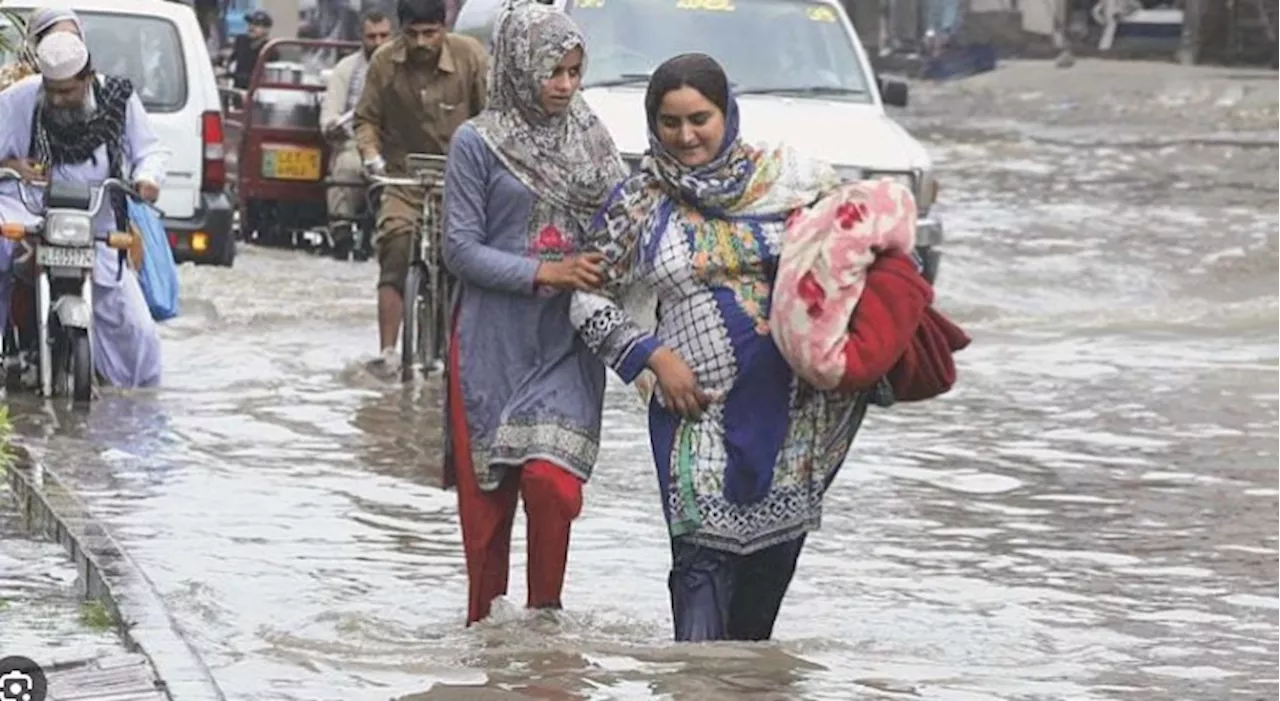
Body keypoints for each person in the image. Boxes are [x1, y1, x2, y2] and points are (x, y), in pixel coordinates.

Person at [570, 53, 873, 642]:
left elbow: (862, 249)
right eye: (669, 122)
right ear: (651, 123)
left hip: (793, 414)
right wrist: (652, 356)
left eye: (699, 119)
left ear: (727, 113)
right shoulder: (638, 204)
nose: (686, 136)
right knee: (700, 571)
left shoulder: (791, 183)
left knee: (763, 593)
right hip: (693, 412)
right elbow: (585, 295)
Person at [442, 0, 626, 625]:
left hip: (565, 343)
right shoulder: (477, 143)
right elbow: (460, 249)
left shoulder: (592, 137)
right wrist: (545, 271)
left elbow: (624, 219)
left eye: (575, 71)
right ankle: (488, 646)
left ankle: (544, 632)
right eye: (554, 72)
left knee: (553, 485)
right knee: (487, 515)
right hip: (491, 344)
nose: (565, 86)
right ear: (520, 67)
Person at [0, 32, 168, 388]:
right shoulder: (21, 98)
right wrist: (12, 164)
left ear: (88, 78)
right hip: (28, 209)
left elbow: (149, 150)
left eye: (68, 92)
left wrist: (147, 179)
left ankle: (129, 411)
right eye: (52, 91)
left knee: (138, 333)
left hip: (96, 220)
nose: (58, 100)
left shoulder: (117, 98)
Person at [354, 0, 487, 372]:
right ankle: (388, 350)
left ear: (443, 29)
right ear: (401, 31)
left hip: (460, 179)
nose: (422, 43)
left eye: (430, 33)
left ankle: (462, 347)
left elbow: (491, 118)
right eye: (412, 34)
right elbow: (366, 119)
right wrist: (370, 155)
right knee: (395, 240)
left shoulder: (470, 57)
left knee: (465, 254)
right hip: (404, 177)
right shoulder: (384, 62)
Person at [320, 10, 392, 260]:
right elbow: (330, 114)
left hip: (394, 146)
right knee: (346, 169)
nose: (379, 42)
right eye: (372, 36)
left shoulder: (405, 69)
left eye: (384, 35)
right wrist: (334, 126)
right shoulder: (346, 70)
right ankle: (341, 233)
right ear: (361, 37)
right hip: (354, 143)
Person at [0, 3, 83, 92]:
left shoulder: (91, 87)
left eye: (74, 38)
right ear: (35, 45)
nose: (65, 46)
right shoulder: (9, 84)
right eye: (57, 39)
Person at [228, 11, 275, 90]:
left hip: (257, 91)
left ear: (266, 30)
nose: (251, 27)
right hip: (237, 89)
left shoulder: (270, 49)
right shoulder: (241, 41)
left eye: (256, 25)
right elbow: (231, 60)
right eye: (250, 24)